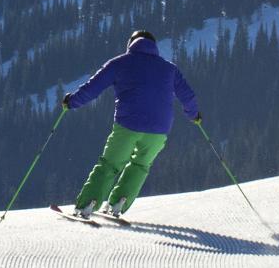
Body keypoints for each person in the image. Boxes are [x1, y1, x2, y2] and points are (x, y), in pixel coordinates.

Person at [62, 29, 200, 220]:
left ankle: (87, 205)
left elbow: (93, 88)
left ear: (131, 44)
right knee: (141, 165)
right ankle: (118, 204)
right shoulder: (169, 68)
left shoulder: (119, 63)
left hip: (128, 124)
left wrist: (71, 102)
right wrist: (194, 115)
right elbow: (188, 95)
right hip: (159, 130)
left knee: (110, 164)